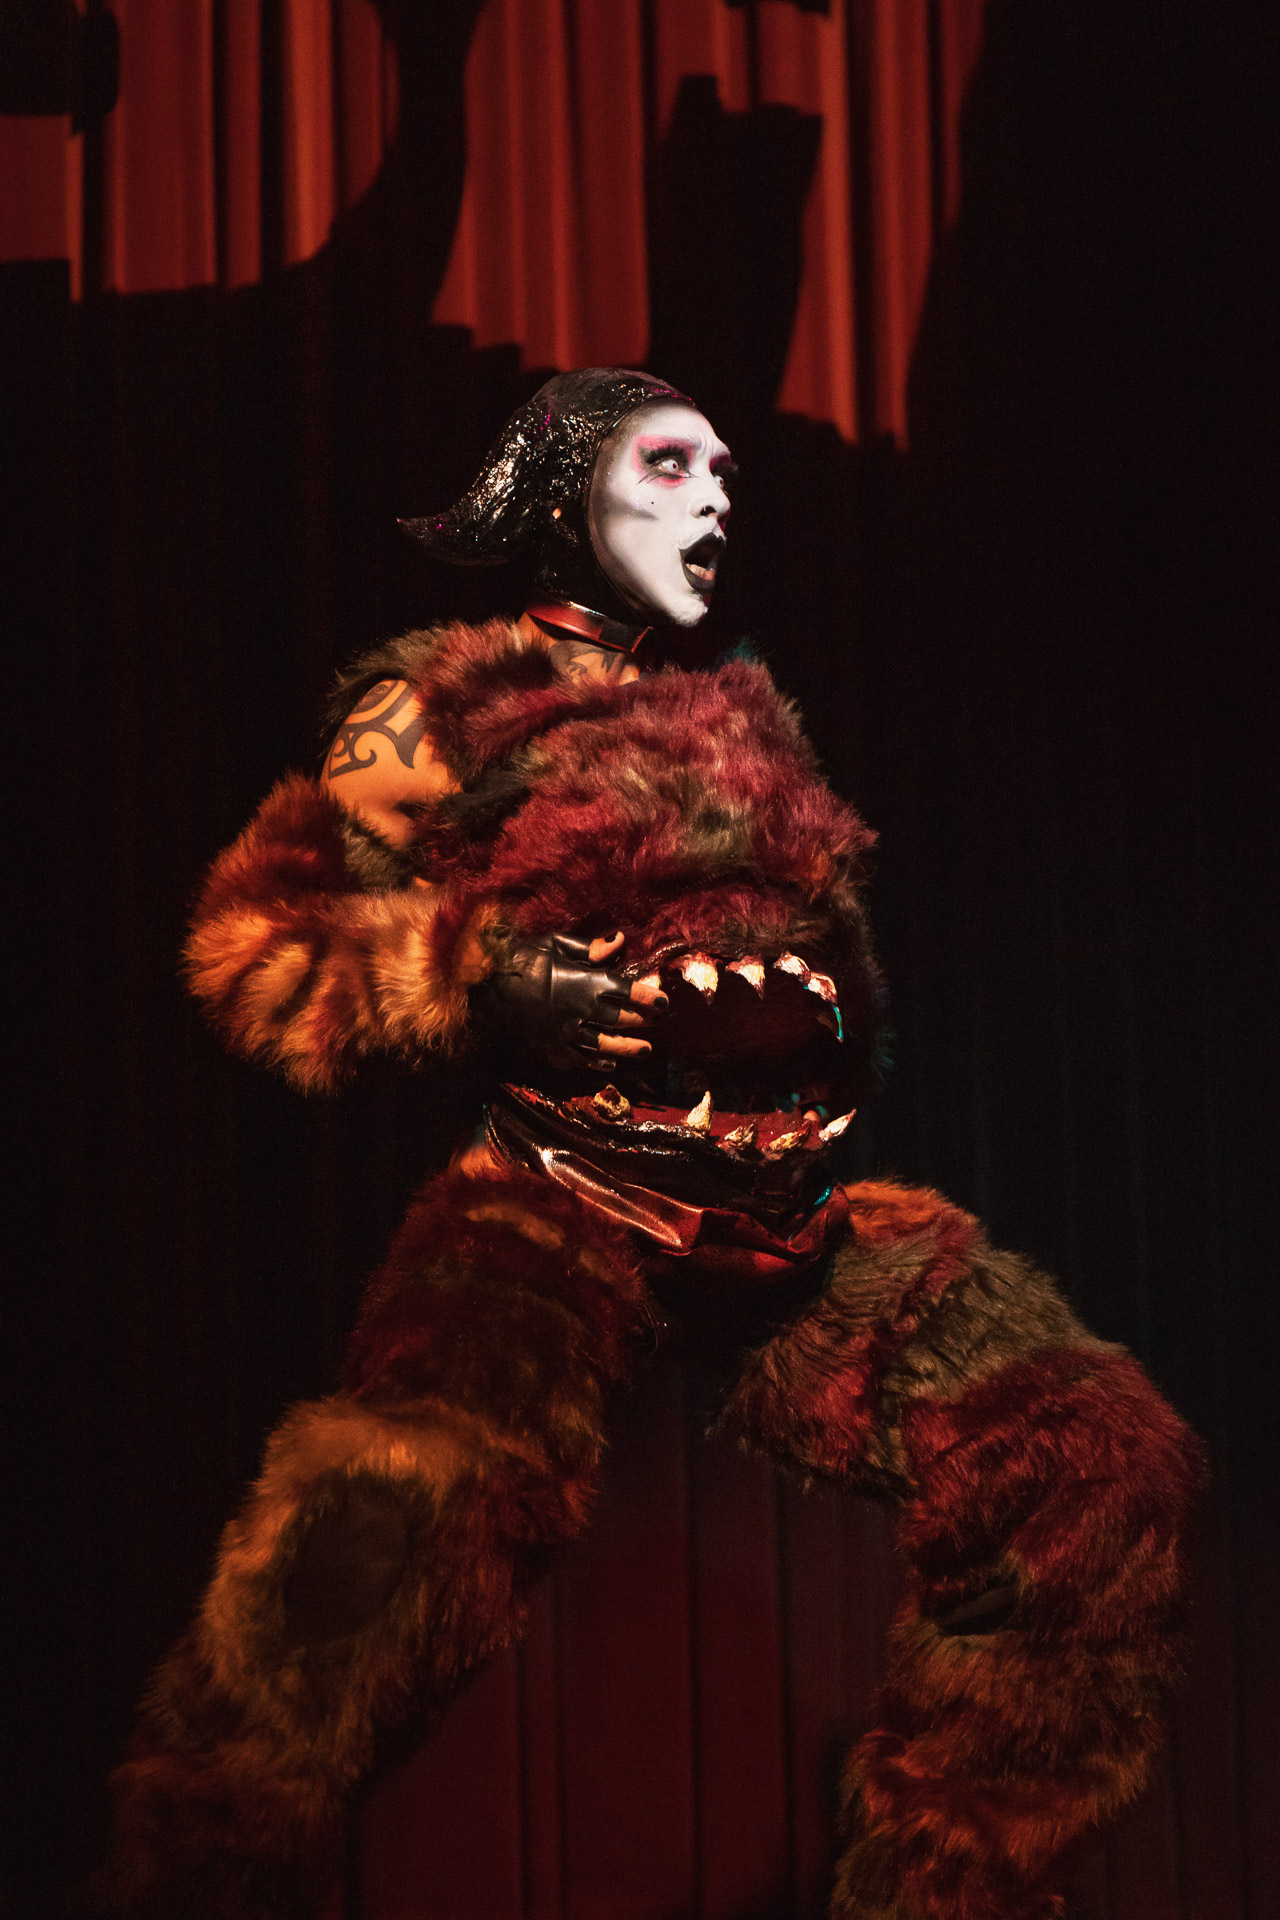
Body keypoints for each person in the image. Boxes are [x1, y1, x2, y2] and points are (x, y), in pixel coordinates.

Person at [97, 370, 1199, 1920]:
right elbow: (255, 950)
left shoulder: (741, 720)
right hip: (557, 1211)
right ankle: (175, 1879)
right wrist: (473, 972)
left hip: (784, 1221)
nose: (716, 498)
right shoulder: (440, 703)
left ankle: (947, 1893)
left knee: (1095, 1451)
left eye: (725, 472)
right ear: (559, 495)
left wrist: (803, 1031)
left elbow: (840, 986)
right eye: (672, 465)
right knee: (370, 1554)